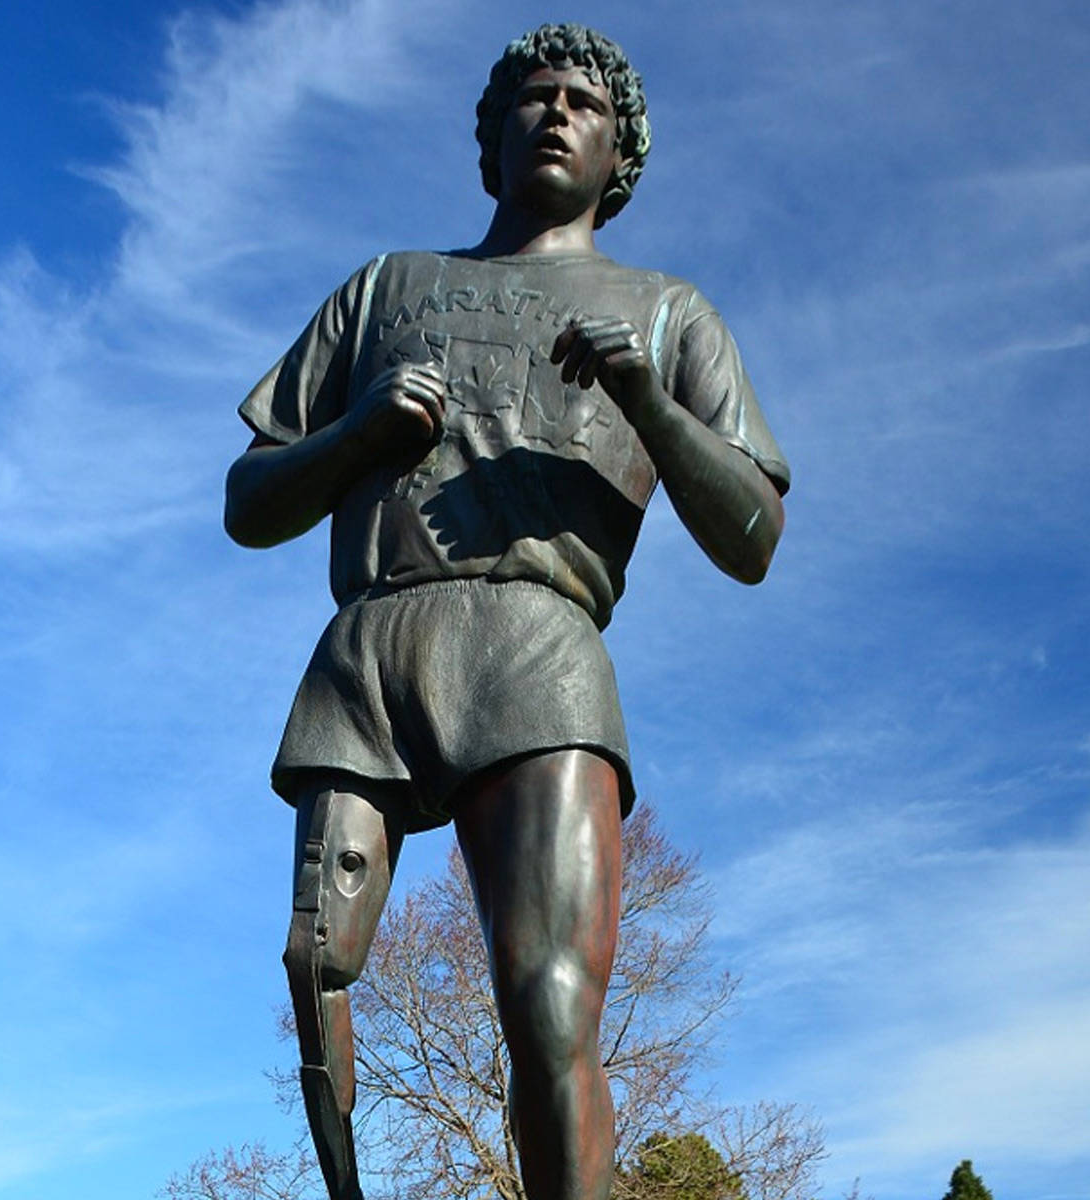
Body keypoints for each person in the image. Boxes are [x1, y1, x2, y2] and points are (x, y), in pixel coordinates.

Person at [224, 22, 789, 1200]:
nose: (559, 112)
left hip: (539, 654)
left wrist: (647, 399)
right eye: (537, 96)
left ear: (620, 155)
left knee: (548, 1000)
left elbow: (753, 536)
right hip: (371, 647)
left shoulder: (669, 313)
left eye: (588, 103)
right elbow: (249, 502)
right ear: (490, 137)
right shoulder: (385, 289)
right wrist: (360, 433)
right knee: (314, 965)